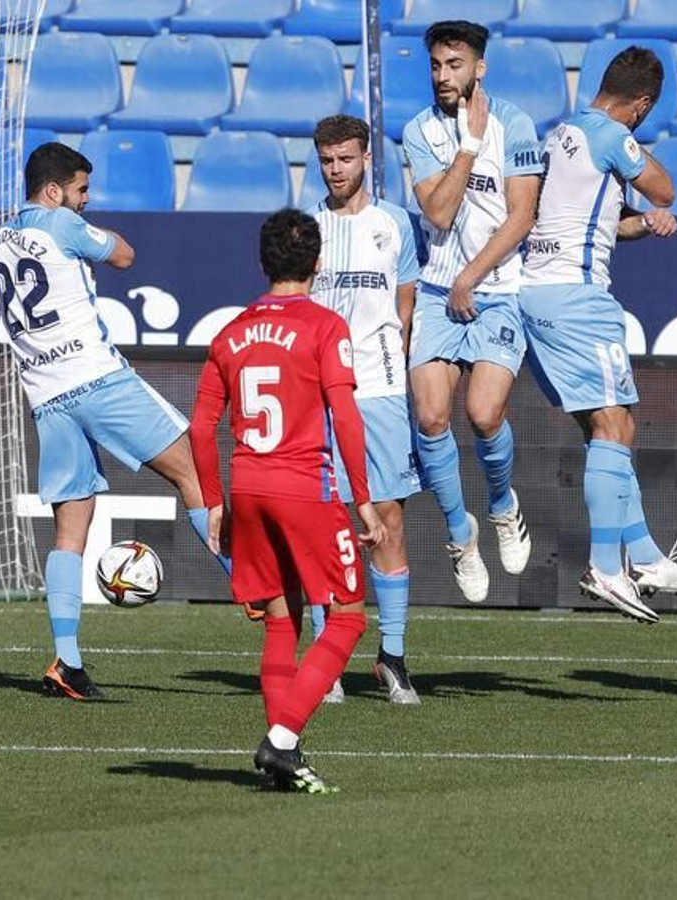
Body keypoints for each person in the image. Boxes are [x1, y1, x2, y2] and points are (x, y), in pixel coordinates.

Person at [0, 142, 230, 701]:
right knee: (195, 470)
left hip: (46, 396)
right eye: (81, 191)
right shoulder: (61, 223)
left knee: (70, 533)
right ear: (53, 192)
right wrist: (91, 232)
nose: (86, 201)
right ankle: (251, 589)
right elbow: (124, 254)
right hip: (96, 380)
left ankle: (67, 662)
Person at [521, 47, 677, 623]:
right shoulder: (611, 134)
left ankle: (647, 558)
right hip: (578, 297)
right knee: (618, 426)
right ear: (641, 104)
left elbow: (593, 218)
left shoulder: (559, 135)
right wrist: (635, 159)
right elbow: (664, 189)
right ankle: (606, 567)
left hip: (539, 292)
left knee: (605, 431)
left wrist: (635, 222)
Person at [190, 208, 386, 793]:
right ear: (318, 264)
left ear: (262, 263)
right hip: (304, 487)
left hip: (247, 486)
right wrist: (364, 499)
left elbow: (201, 429)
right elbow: (345, 416)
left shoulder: (230, 333)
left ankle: (285, 753)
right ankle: (281, 740)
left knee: (281, 619)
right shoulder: (325, 326)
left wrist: (215, 502)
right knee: (347, 616)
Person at [402, 19, 540, 603]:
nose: (442, 75)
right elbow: (437, 212)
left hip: (497, 290)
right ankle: (461, 533)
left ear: (479, 68)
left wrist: (471, 277)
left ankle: (504, 505)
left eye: (454, 64)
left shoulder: (517, 124)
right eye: (436, 65)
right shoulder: (418, 130)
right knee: (431, 418)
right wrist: (468, 143)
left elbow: (522, 215)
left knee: (484, 414)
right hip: (437, 292)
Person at [304, 113, 423, 704]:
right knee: (321, 522)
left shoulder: (395, 223)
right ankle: (325, 658)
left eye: (346, 159)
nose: (336, 169)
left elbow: (405, 310)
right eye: (327, 160)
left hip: (378, 389)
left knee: (389, 518)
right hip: (316, 393)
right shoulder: (306, 229)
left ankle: (392, 657)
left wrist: (394, 366)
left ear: (367, 159)